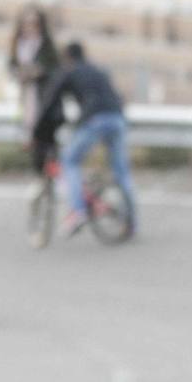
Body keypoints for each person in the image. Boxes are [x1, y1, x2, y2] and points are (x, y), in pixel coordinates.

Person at [34, 41, 138, 236]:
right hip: (117, 118)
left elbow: (50, 103)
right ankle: (131, 222)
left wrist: (38, 131)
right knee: (121, 171)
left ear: (67, 57)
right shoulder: (99, 71)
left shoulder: (69, 71)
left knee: (69, 161)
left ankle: (77, 211)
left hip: (95, 120)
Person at [7, 3, 62, 176]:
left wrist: (38, 72)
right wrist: (20, 73)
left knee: (48, 144)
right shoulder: (18, 45)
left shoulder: (47, 46)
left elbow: (56, 71)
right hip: (27, 100)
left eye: (34, 23)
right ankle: (41, 178)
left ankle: (52, 178)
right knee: (33, 143)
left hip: (46, 102)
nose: (29, 27)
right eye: (26, 23)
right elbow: (12, 67)